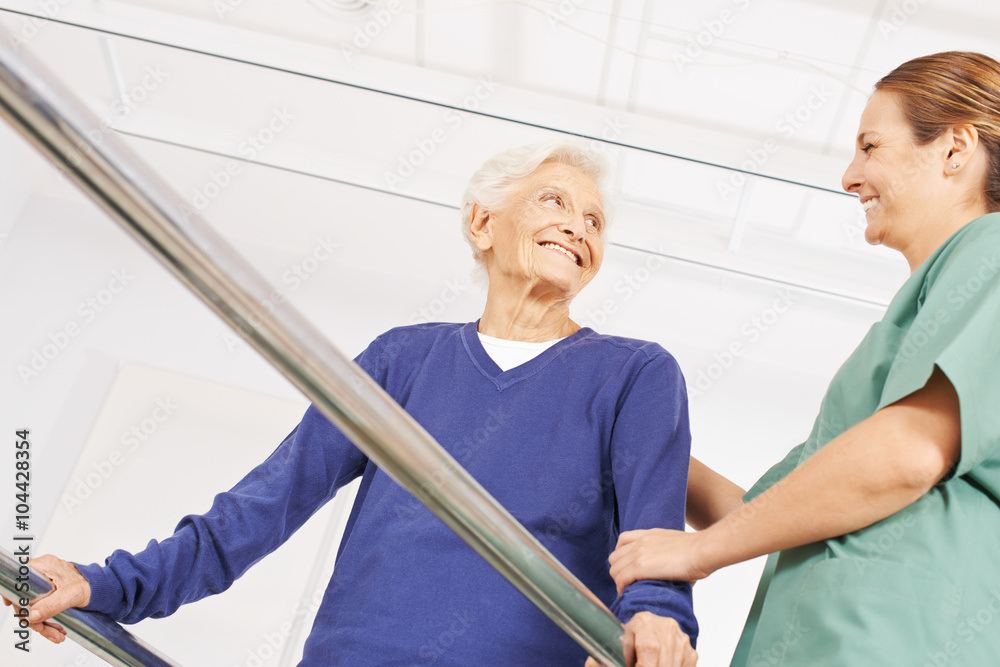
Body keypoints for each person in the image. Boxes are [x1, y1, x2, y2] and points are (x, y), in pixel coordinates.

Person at [4, 141, 698, 666]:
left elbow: (654, 543)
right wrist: (106, 583)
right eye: (554, 201)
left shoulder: (636, 374)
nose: (579, 226)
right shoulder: (402, 359)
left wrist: (661, 617)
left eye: (596, 221)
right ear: (483, 222)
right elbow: (261, 507)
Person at [608, 51, 1000, 666]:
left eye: (870, 146)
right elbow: (761, 510)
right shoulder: (909, 328)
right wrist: (611, 429)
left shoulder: (993, 252)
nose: (849, 175)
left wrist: (694, 554)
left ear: (955, 149)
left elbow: (909, 454)